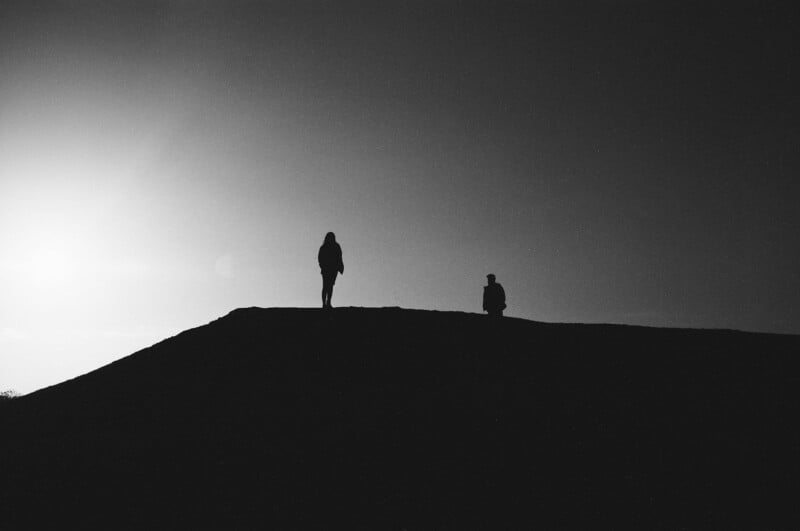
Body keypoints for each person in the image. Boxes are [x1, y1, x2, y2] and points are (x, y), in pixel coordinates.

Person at [318, 232, 344, 309]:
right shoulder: (325, 247)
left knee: (329, 286)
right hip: (327, 269)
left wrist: (340, 266)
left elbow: (339, 257)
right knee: (327, 286)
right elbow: (320, 258)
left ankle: (328, 302)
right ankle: (325, 303)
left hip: (332, 269)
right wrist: (322, 266)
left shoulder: (334, 246)